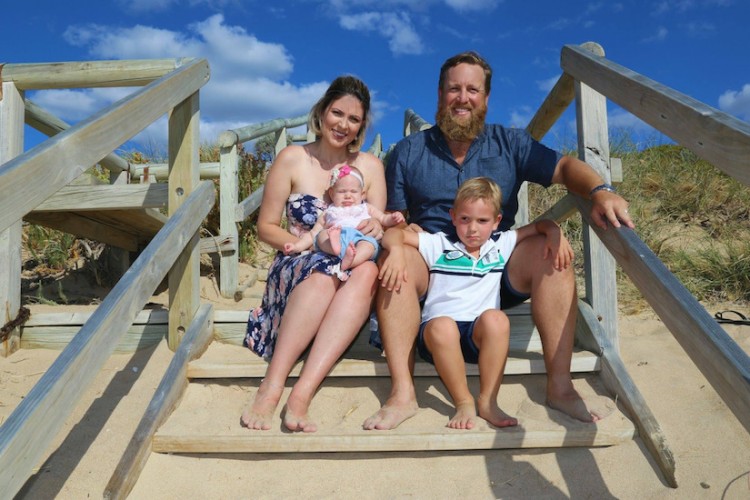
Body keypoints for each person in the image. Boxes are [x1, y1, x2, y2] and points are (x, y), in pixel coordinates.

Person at [364, 51, 635, 431]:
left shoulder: (510, 143)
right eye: (454, 88)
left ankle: (560, 387)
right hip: (435, 267)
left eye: (472, 89)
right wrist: (392, 248)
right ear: (440, 94)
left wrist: (600, 190)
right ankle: (403, 393)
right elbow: (396, 220)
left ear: (486, 98)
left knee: (550, 252)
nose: (463, 97)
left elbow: (563, 167)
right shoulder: (409, 151)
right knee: (397, 263)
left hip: (494, 267)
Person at [241, 75, 387, 433]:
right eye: (337, 113)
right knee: (322, 276)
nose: (343, 124)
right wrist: (305, 241)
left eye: (354, 120)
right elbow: (266, 226)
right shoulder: (292, 158)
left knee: (367, 272)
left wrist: (375, 230)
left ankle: (302, 393)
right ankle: (272, 385)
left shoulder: (370, 166)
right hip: (299, 258)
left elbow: (376, 224)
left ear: (361, 127)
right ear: (321, 113)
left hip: (352, 259)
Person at [381, 177, 574, 430]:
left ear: (496, 222)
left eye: (482, 221)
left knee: (497, 319)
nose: (473, 228)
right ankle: (463, 402)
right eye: (465, 219)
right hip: (436, 338)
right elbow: (393, 234)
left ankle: (488, 401)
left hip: (476, 338)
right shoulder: (438, 244)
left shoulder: (500, 245)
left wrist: (553, 231)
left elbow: (540, 226)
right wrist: (395, 251)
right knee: (443, 327)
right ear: (453, 217)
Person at [283, 164, 404, 276]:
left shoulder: (366, 208)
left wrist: (393, 218)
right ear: (331, 194)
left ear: (362, 194)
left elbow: (383, 218)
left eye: (353, 191)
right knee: (321, 236)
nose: (348, 195)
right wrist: (296, 246)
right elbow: (312, 235)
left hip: (359, 238)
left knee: (369, 245)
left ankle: (351, 260)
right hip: (336, 235)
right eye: (341, 191)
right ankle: (335, 248)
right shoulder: (329, 212)